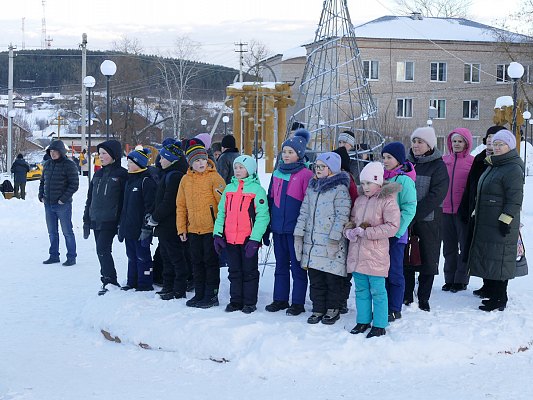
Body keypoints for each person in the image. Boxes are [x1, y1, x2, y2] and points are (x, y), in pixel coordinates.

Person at [467, 129, 524, 312]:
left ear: (510, 146)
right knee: (489, 254)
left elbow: (515, 198)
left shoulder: (513, 168)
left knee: (500, 258)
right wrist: (476, 213)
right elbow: (483, 193)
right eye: (495, 144)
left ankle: (500, 297)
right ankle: (490, 289)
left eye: (501, 144)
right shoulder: (494, 164)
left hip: (500, 222)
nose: (497, 147)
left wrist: (506, 219)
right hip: (486, 220)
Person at [344, 162, 401, 338]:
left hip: (376, 256)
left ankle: (379, 324)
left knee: (378, 291)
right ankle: (363, 321)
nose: (366, 187)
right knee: (361, 290)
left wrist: (367, 232)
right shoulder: (360, 200)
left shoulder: (388, 201)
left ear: (378, 181)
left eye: (369, 183)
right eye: (363, 183)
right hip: (358, 255)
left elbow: (392, 226)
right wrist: (349, 231)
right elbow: (352, 219)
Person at [294, 152, 351, 325]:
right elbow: (304, 212)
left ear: (331, 169)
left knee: (332, 279)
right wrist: (299, 235)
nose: (317, 169)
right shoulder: (312, 188)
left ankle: (333, 308)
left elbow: (342, 216)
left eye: (321, 167)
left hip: (330, 244)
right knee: (316, 279)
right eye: (316, 166)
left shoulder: (340, 189)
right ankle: (318, 308)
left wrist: (334, 239)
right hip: (312, 244)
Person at [266, 129, 314, 316]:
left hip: (296, 231)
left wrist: (305, 228)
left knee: (298, 267)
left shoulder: (306, 175)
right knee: (280, 265)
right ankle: (280, 299)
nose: (286, 155)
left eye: (290, 152)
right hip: (278, 229)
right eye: (284, 151)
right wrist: (269, 225)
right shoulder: (277, 173)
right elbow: (271, 199)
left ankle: (298, 302)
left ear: (299, 154)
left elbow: (309, 204)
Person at [213, 155, 270, 314]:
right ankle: (236, 300)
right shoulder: (229, 189)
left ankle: (249, 302)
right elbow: (221, 212)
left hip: (248, 240)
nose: (237, 171)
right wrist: (218, 234)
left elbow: (263, 216)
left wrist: (255, 239)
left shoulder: (257, 190)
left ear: (250, 170)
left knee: (249, 272)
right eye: (236, 168)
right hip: (230, 239)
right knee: (234, 271)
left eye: (241, 168)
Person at [458, 125, 506, 298]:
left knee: (495, 253)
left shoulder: (504, 161)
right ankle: (487, 285)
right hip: (476, 212)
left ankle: (497, 290)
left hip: (495, 214)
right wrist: (465, 208)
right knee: (482, 250)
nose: (491, 140)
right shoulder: (479, 159)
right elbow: (470, 186)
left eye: (495, 137)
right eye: (489, 137)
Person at [176, 140, 226, 308]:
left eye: (203, 159)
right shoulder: (185, 180)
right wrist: (182, 228)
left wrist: (221, 228)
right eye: (197, 160)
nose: (201, 163)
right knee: (196, 261)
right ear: (190, 162)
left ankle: (211, 294)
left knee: (210, 262)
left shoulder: (214, 177)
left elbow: (223, 204)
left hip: (211, 229)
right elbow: (181, 206)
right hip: (193, 229)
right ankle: (200, 292)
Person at [404, 127, 449, 312]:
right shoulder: (406, 164)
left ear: (430, 145)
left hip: (429, 221)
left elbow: (437, 195)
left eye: (420, 142)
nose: (415, 145)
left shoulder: (438, 166)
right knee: (406, 257)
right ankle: (407, 295)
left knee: (428, 259)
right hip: (406, 220)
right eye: (414, 141)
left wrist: (414, 214)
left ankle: (423, 297)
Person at [146, 139, 189, 300]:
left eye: (163, 158)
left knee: (176, 258)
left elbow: (169, 202)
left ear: (172, 159)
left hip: (172, 224)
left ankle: (178, 288)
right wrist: (151, 213)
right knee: (166, 257)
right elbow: (159, 199)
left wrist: (155, 217)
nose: (160, 161)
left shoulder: (176, 176)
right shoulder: (168, 174)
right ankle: (168, 285)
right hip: (164, 224)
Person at [83, 140, 128, 295]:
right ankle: (107, 280)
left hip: (111, 219)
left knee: (102, 249)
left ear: (114, 155)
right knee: (101, 250)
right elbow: (90, 199)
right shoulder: (98, 174)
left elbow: (124, 201)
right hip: (96, 219)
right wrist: (86, 220)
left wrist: (121, 222)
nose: (100, 156)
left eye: (104, 153)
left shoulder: (122, 174)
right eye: (99, 153)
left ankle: (110, 281)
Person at [381, 142, 417, 322]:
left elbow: (409, 209)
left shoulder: (404, 180)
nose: (385, 161)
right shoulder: (381, 177)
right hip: (381, 234)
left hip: (396, 235)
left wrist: (396, 232)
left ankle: (395, 307)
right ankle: (384, 304)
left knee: (395, 271)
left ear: (399, 159)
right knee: (382, 272)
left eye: (389, 157)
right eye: (384, 157)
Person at [118, 148, 157, 292]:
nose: (127, 165)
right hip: (129, 228)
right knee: (131, 256)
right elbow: (125, 206)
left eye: (131, 162)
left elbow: (149, 206)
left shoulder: (146, 181)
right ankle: (132, 281)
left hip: (141, 229)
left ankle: (145, 282)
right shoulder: (129, 181)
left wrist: (146, 228)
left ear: (139, 164)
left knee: (143, 256)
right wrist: (121, 226)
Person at [442, 129, 474, 293]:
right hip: (445, 211)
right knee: (449, 248)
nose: (456, 144)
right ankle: (449, 279)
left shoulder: (472, 162)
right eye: (454, 141)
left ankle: (461, 280)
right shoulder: (444, 160)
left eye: (460, 141)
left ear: (467, 144)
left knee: (464, 247)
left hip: (463, 213)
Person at [39, 140, 79, 266]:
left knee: (67, 232)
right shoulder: (47, 164)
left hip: (62, 205)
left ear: (61, 151)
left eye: (55, 151)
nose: (53, 153)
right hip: (48, 204)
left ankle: (71, 257)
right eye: (51, 151)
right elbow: (42, 182)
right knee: (52, 232)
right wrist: (41, 196)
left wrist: (63, 199)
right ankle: (54, 255)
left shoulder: (69, 165)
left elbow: (74, 185)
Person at [332, 146, 359, 315]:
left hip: (345, 228)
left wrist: (349, 224)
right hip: (333, 227)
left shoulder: (347, 180)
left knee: (343, 268)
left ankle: (341, 299)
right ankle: (336, 298)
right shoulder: (334, 178)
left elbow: (355, 204)